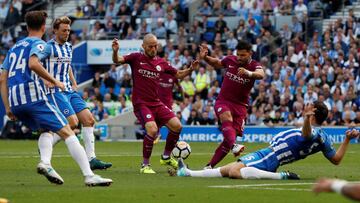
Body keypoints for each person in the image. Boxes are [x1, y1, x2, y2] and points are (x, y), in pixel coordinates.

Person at [0, 11, 112, 186]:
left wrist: (7, 107)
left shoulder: (13, 47)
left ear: (26, 26)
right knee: (69, 130)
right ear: (45, 28)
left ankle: (46, 163)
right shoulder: (42, 44)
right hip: (35, 95)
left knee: (48, 130)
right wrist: (53, 81)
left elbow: (2, 78)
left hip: (15, 100)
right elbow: (34, 64)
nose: (67, 33)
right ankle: (89, 175)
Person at [176, 102, 360, 180]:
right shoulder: (324, 137)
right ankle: (188, 173)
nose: (307, 107)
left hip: (273, 157)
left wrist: (305, 119)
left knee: (234, 172)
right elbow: (336, 159)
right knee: (225, 169)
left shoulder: (313, 131)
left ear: (314, 114)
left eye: (310, 107)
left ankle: (282, 176)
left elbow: (306, 135)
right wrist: (346, 139)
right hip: (269, 152)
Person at [112, 34, 197, 174]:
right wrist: (115, 51)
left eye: (155, 46)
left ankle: (166, 157)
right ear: (143, 46)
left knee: (177, 126)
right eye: (150, 46)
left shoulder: (161, 63)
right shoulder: (135, 58)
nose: (153, 48)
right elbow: (117, 60)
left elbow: (179, 74)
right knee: (152, 130)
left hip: (156, 103)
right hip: (141, 103)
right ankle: (145, 165)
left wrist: (190, 69)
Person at [39, 16, 112, 170]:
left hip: (69, 90)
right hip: (56, 90)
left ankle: (92, 159)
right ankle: (47, 145)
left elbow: (68, 65)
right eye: (64, 30)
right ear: (55, 31)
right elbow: (35, 64)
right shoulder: (48, 47)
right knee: (72, 123)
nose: (67, 33)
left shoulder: (68, 46)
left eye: (69, 30)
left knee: (89, 120)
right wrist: (43, 79)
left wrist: (73, 82)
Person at [199, 40, 265, 168]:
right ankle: (234, 145)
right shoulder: (230, 60)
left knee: (228, 140)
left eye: (243, 55)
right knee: (226, 118)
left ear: (250, 53)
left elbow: (261, 74)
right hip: (223, 101)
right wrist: (205, 57)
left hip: (241, 107)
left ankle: (209, 166)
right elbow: (217, 63)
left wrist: (248, 73)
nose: (239, 58)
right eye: (238, 54)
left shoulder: (254, 65)